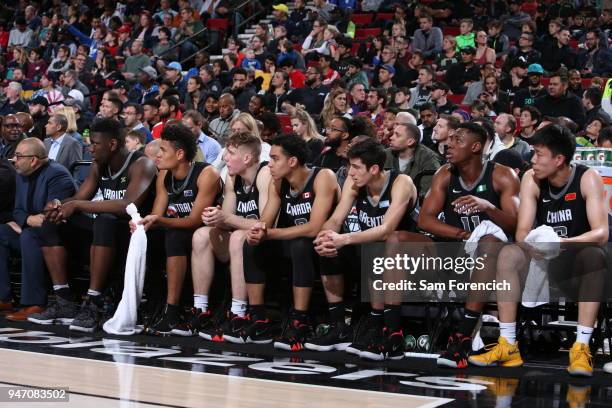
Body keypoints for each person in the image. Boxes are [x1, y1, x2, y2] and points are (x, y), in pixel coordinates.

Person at [470, 124, 608, 378]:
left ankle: (581, 347)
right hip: (543, 261)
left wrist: (561, 244)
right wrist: (535, 245)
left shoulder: (587, 178)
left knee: (594, 256)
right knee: (510, 252)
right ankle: (508, 344)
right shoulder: (531, 179)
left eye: (539, 154)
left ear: (559, 159)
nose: (532, 159)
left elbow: (600, 233)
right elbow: (522, 231)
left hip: (576, 261)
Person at [33, 118, 157, 333]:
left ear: (113, 144)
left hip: (134, 235)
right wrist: (58, 205)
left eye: (95, 144)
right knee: (51, 223)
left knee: (105, 220)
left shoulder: (142, 164)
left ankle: (94, 301)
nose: (90, 148)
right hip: (104, 235)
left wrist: (77, 205)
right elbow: (80, 196)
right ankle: (65, 300)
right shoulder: (98, 164)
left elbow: (127, 205)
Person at [418, 122, 520, 369]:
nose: (449, 144)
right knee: (398, 240)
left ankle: (462, 336)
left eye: (457, 140)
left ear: (476, 147)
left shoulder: (502, 174)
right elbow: (425, 219)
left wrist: (488, 207)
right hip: (459, 249)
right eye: (449, 139)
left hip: (497, 257)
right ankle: (389, 333)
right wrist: (463, 235)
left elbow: (517, 224)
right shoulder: (445, 173)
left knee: (488, 242)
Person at [309, 138, 418, 359]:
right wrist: (326, 236)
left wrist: (344, 239)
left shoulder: (401, 182)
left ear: (375, 168)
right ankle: (340, 326)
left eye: (356, 167)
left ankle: (391, 333)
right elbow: (336, 219)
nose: (350, 172)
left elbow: (387, 229)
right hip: (375, 250)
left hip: (414, 250)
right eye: (350, 166)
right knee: (330, 246)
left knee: (380, 245)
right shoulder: (355, 183)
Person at [230, 136, 340, 350]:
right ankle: (258, 318)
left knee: (300, 244)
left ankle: (300, 320)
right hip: (292, 241)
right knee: (251, 243)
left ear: (292, 161)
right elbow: (266, 221)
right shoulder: (278, 182)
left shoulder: (322, 177)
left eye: (274, 158)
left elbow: (315, 227)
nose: (269, 163)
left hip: (327, 246)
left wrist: (269, 233)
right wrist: (258, 232)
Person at [132, 123, 221, 335]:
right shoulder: (163, 175)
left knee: (174, 235)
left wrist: (158, 220)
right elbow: (157, 213)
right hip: (177, 229)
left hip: (209, 234)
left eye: (163, 150)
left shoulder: (206, 174)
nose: (158, 156)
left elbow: (193, 221)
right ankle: (148, 301)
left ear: (180, 154)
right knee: (141, 236)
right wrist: (142, 223)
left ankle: (172, 310)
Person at [182, 131, 271, 340]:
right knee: (202, 235)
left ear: (247, 158)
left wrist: (227, 220)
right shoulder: (233, 178)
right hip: (240, 244)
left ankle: (239, 313)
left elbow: (266, 224)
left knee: (240, 236)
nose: (225, 158)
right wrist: (214, 218)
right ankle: (200, 308)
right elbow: (227, 219)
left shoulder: (264, 174)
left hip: (267, 245)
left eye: (230, 153)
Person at [1, 138, 75, 321]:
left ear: (33, 160)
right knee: (1, 232)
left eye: (18, 156)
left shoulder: (58, 175)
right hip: (30, 229)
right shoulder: (21, 174)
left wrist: (28, 223)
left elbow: (52, 215)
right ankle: (3, 298)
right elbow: (17, 210)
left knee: (28, 236)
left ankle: (34, 304)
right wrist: (26, 219)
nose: (14, 160)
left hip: (58, 237)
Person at [385, 123, 441, 202]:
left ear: (410, 141)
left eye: (397, 135)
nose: (391, 138)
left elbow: (427, 194)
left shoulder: (428, 159)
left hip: (416, 206)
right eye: (393, 134)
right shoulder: (385, 155)